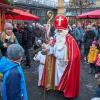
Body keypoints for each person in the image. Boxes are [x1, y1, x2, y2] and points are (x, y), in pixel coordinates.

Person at [41, 15, 80, 99]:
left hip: (66, 64)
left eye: (60, 30)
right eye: (57, 30)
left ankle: (66, 89)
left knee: (66, 77)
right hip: (57, 62)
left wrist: (71, 60)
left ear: (65, 30)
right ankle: (59, 87)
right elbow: (52, 49)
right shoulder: (56, 38)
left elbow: (75, 54)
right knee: (58, 76)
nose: (59, 32)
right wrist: (48, 48)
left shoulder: (70, 39)